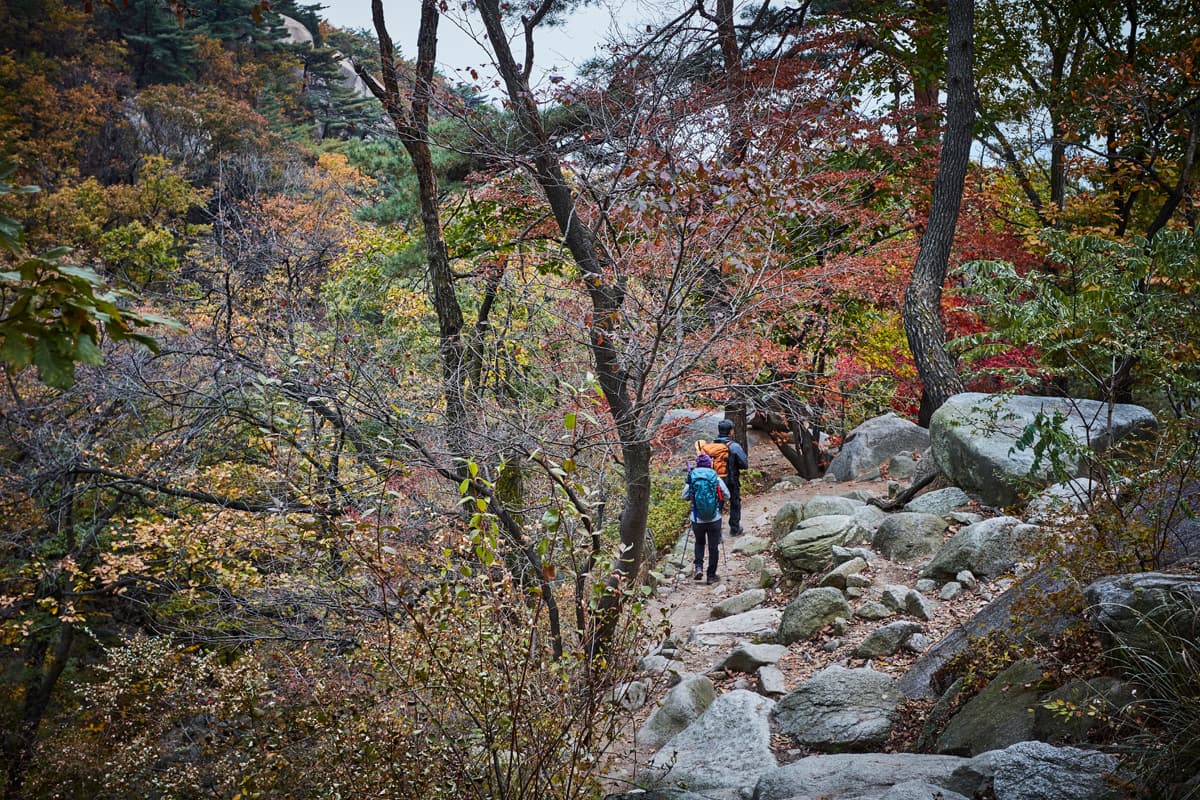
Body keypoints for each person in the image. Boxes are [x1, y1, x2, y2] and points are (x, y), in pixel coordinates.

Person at [683, 452, 729, 585]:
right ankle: (711, 575)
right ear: (710, 464)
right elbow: (727, 495)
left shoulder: (692, 477)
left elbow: (684, 495)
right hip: (714, 518)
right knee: (713, 546)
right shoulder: (714, 477)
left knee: (699, 543)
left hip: (697, 518)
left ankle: (698, 568)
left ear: (697, 464)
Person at [714, 418, 749, 537]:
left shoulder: (712, 446)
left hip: (716, 481)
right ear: (730, 432)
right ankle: (734, 528)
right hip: (731, 480)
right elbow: (744, 464)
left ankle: (716, 534)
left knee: (718, 505)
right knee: (735, 503)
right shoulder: (734, 446)